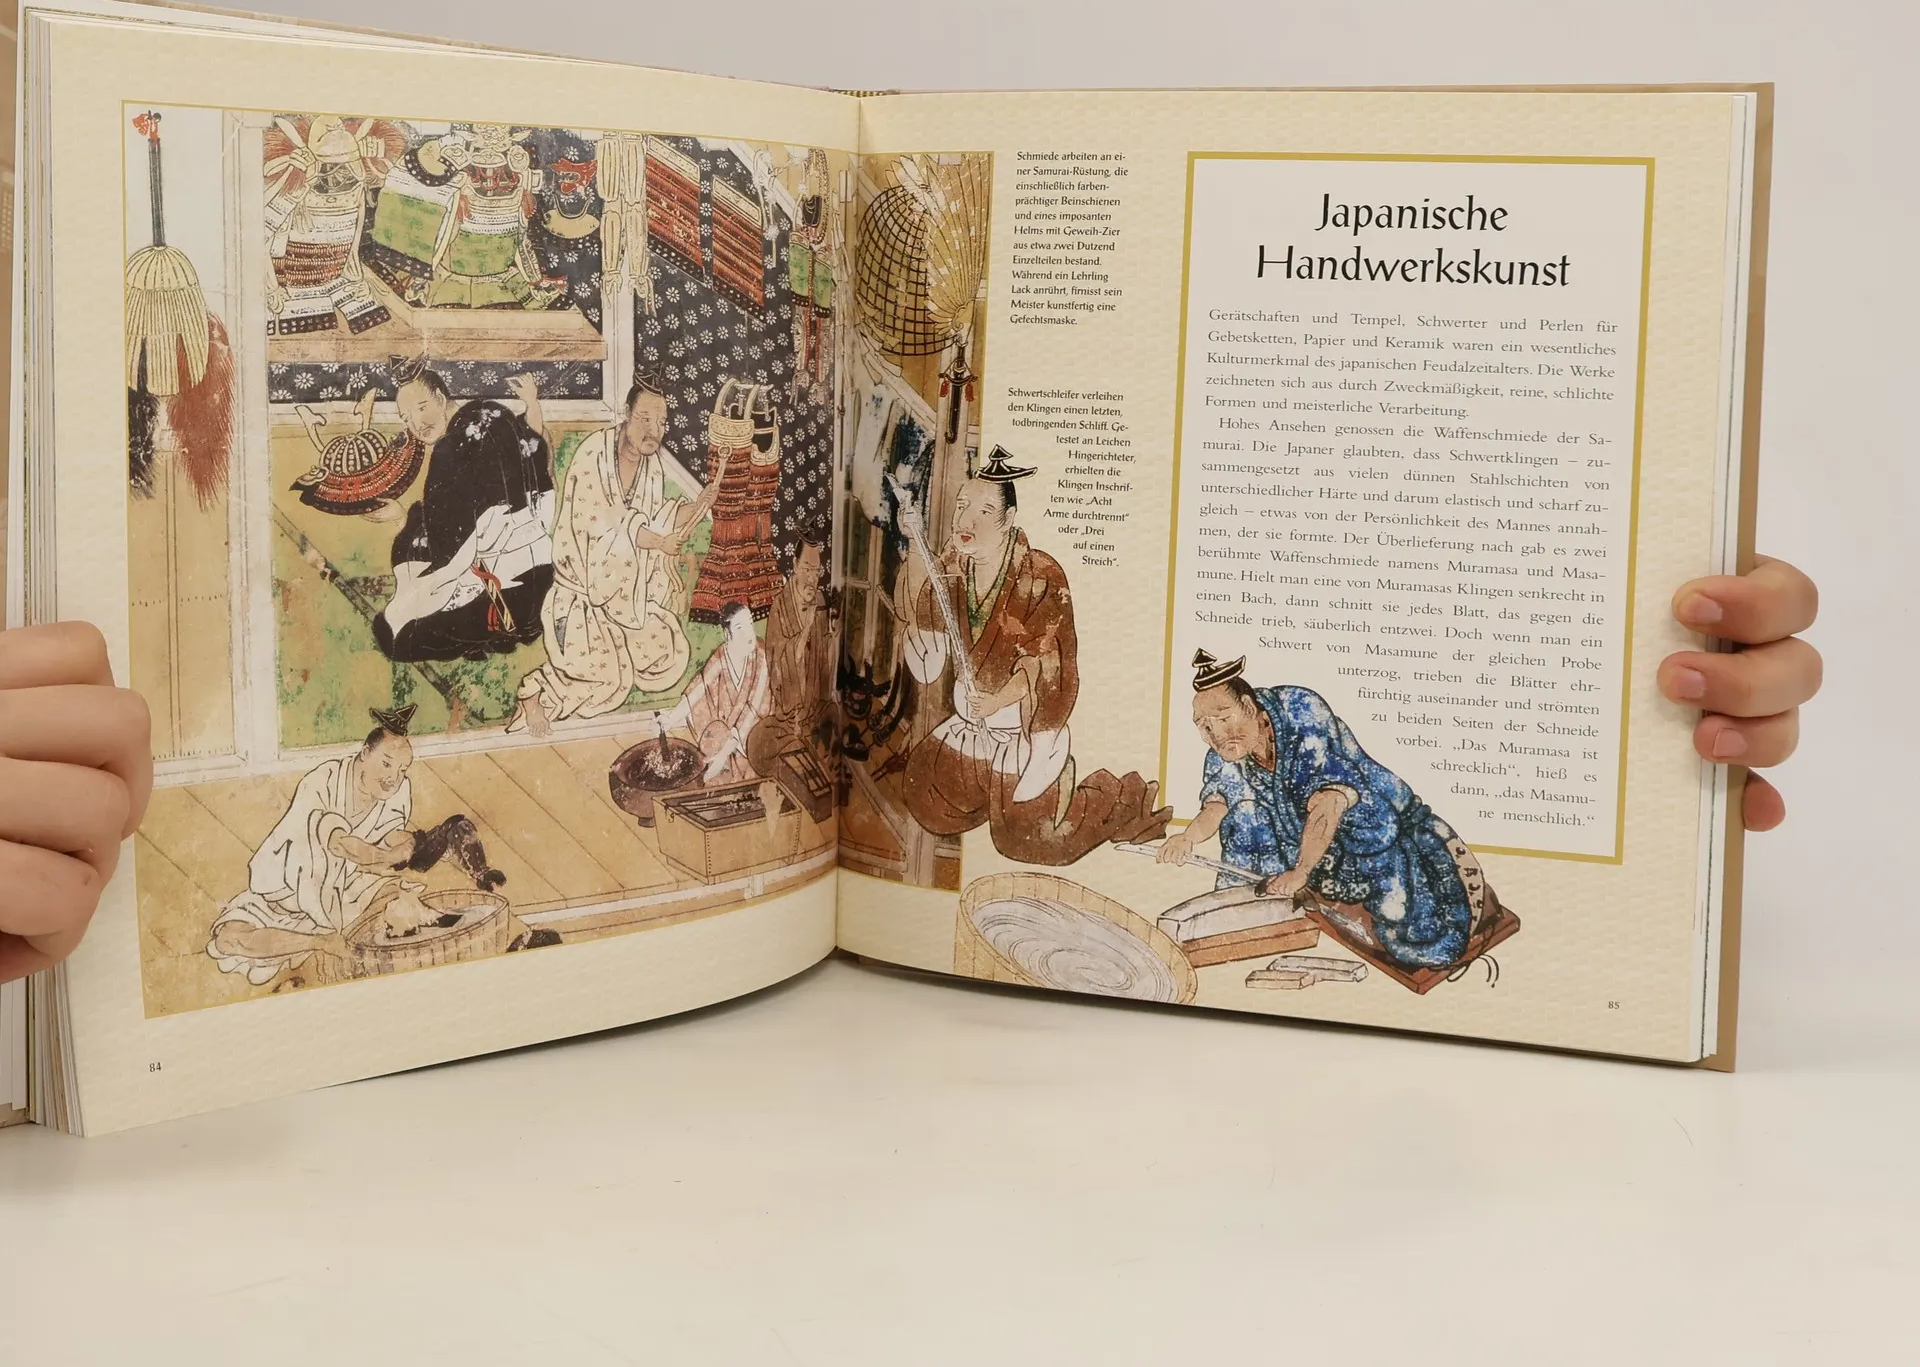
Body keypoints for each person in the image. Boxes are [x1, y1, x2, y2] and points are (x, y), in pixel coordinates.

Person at [0, 560, 1824, 986]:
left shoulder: (1303, 724)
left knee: (1387, 901)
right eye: (1208, 734)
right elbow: (1242, 815)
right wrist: (1211, 837)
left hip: (1377, 850)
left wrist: (1624, 685)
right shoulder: (1235, 749)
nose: (1217, 742)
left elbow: (1322, 810)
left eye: (1218, 728)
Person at [897, 446, 1172, 864]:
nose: (966, 521)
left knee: (1028, 839)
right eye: (962, 506)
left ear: (1008, 519)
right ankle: (991, 795)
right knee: (925, 796)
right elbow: (926, 620)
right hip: (972, 722)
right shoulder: (953, 565)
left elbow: (1044, 664)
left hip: (1017, 725)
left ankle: (1111, 802)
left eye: (984, 511)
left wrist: (996, 701)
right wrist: (915, 543)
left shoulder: (1040, 574)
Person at [1160, 651, 1500, 981]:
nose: (1215, 734)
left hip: (1361, 816)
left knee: (1415, 935)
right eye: (1204, 726)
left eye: (1222, 719)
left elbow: (1330, 801)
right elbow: (1217, 806)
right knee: (1244, 817)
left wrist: (1301, 871)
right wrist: (1186, 838)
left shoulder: (1300, 710)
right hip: (1303, 837)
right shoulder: (1224, 754)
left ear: (1248, 707)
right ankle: (1258, 910)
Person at [205, 708, 508, 986]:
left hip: (344, 893)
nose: (392, 778)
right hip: (283, 896)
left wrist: (408, 844)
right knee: (228, 939)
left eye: (402, 769)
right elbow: (341, 845)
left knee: (402, 905)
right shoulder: (323, 781)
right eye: (386, 764)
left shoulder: (399, 790)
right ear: (365, 753)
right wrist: (385, 855)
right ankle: (318, 943)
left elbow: (388, 834)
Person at [510, 372, 724, 735]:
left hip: (624, 595)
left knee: (669, 651)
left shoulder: (651, 467)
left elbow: (659, 517)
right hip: (581, 595)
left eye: (662, 423)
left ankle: (610, 651)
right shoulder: (593, 454)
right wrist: (657, 542)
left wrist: (699, 505)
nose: (654, 430)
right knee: (610, 683)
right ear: (626, 413)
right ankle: (535, 691)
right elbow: (606, 528)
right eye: (645, 418)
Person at [372, 364, 555, 663]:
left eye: (421, 408)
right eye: (406, 418)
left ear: (440, 398)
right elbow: (534, 447)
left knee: (396, 634)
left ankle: (490, 633)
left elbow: (449, 548)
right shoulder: (491, 415)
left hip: (508, 583)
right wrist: (532, 405)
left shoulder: (449, 449)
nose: (416, 423)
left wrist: (406, 523)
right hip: (535, 567)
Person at [746, 537, 833, 779]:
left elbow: (823, 661)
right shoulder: (780, 606)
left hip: (812, 710)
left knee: (833, 719)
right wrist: (807, 627)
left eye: (816, 571)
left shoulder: (820, 601)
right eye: (806, 569)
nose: (811, 578)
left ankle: (804, 749)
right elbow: (779, 659)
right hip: (787, 713)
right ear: (795, 565)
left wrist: (832, 638)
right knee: (757, 745)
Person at [660, 602, 771, 784]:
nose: (748, 633)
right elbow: (699, 687)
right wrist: (670, 719)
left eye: (750, 624)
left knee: (747, 769)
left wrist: (722, 755)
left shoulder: (762, 655)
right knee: (707, 710)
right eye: (740, 627)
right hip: (730, 728)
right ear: (727, 634)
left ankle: (729, 765)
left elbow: (753, 709)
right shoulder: (722, 654)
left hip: (756, 727)